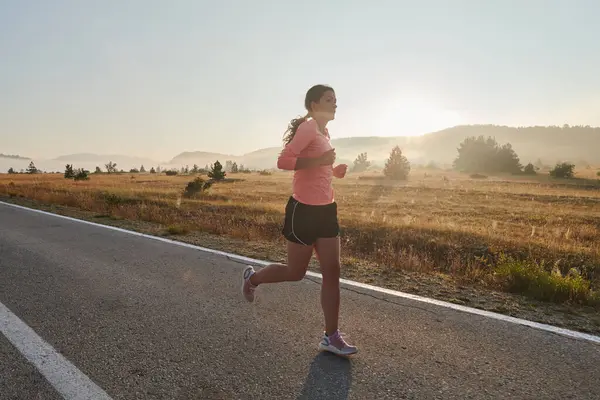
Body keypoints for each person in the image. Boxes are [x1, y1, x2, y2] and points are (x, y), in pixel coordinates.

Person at [241, 84, 358, 356]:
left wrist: (333, 171)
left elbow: (317, 167)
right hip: (303, 211)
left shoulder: (324, 132)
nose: (335, 104)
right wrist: (320, 161)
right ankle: (253, 278)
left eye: (336, 100)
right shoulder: (307, 128)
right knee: (296, 272)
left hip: (327, 209)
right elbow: (283, 161)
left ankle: (331, 336)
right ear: (314, 105)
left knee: (333, 270)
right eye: (329, 100)